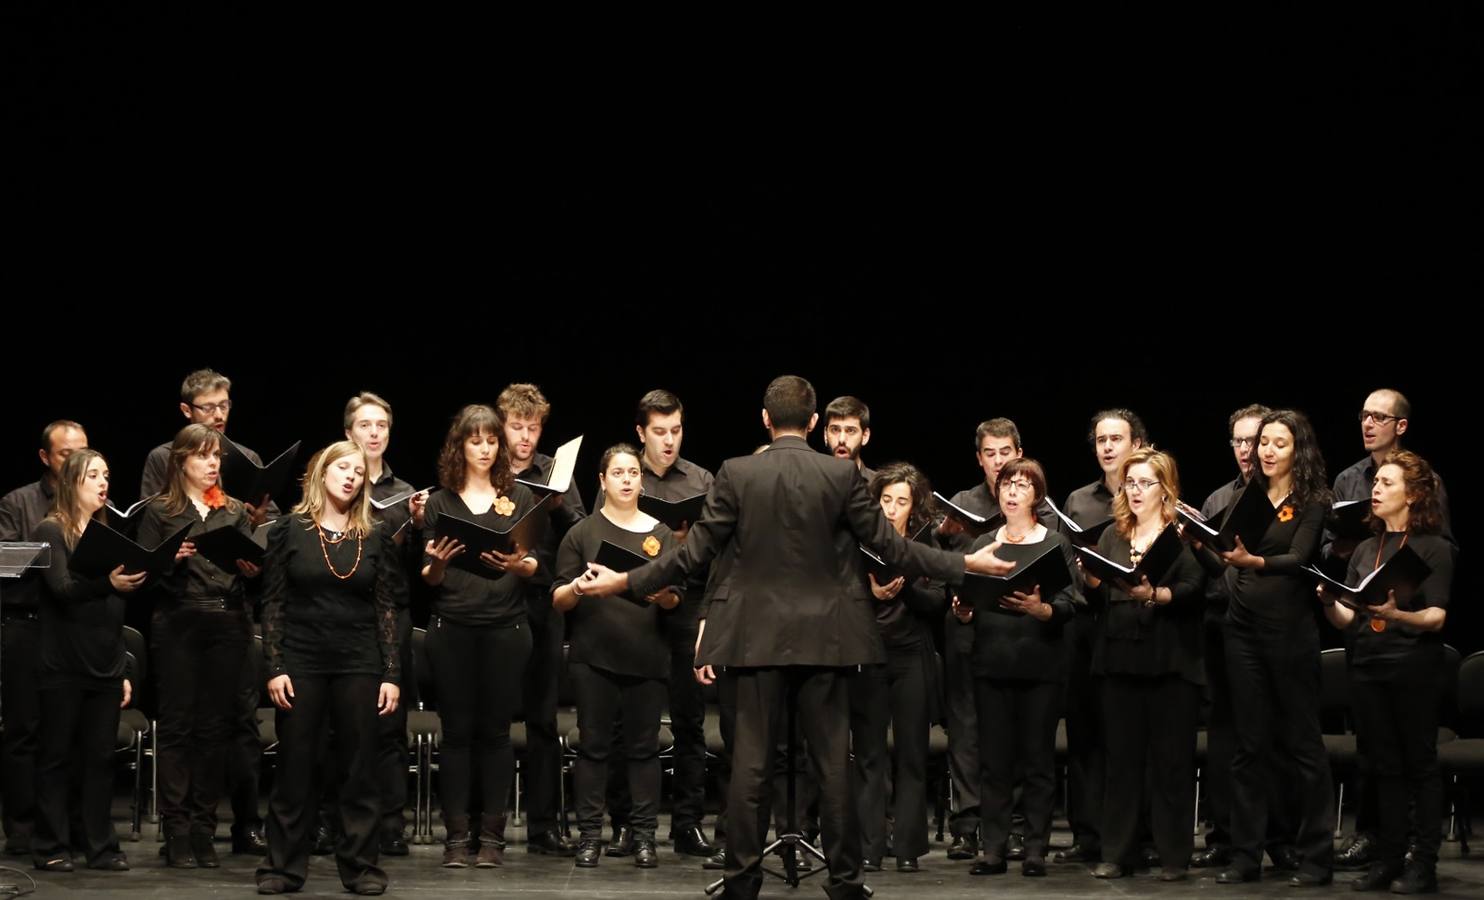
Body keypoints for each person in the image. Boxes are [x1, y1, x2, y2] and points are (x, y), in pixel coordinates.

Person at [256, 442, 403, 896]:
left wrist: (391, 672)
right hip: (302, 659)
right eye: (343, 467)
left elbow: (386, 607)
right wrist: (275, 664)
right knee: (296, 764)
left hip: (358, 661)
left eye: (359, 472)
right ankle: (282, 868)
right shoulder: (287, 531)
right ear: (321, 472)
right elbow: (273, 601)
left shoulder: (374, 534)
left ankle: (360, 866)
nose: (351, 477)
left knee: (358, 765)